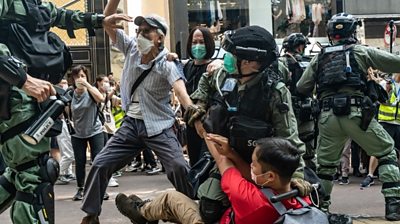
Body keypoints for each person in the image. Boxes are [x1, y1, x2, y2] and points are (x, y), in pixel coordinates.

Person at [80, 1, 195, 223]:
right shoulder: (131, 48)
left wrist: (191, 110)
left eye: (147, 31)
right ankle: (91, 215)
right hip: (131, 125)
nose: (140, 34)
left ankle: (191, 211)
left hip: (159, 126)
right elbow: (107, 22)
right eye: (139, 30)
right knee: (100, 163)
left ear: (159, 37)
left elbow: (180, 89)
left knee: (179, 167)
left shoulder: (166, 63)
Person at [185, 25, 307, 223]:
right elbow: (206, 81)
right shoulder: (224, 75)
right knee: (209, 207)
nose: (228, 58)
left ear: (252, 63)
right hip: (228, 154)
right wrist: (199, 103)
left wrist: (297, 177)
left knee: (272, 209)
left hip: (262, 164)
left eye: (233, 55)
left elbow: (289, 138)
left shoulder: (275, 92)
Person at [0, 1, 104, 223]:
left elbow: (61, 15)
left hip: (32, 99)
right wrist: (24, 79)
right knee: (34, 176)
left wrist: (100, 20)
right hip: (14, 98)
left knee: (23, 172)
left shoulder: (34, 4)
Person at [296, 12, 400, 220]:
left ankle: (321, 210)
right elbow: (395, 63)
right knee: (386, 152)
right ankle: (393, 206)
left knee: (325, 167)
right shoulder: (361, 51)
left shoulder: (320, 57)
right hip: (357, 115)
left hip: (327, 117)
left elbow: (302, 86)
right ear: (353, 31)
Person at [115, 137, 312, 224]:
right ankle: (149, 212)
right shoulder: (302, 198)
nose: (249, 167)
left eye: (253, 164)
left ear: (270, 176)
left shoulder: (248, 198)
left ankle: (139, 212)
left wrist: (204, 128)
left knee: (171, 198)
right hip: (232, 216)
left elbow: (221, 159)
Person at [279, 33, 317, 171]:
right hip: (307, 110)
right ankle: (313, 182)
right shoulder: (310, 62)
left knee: (286, 146)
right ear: (300, 47)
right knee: (309, 150)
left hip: (286, 109)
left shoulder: (280, 62)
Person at [69, 65, 107, 201]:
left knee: (98, 160)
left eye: (82, 76)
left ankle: (100, 188)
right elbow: (66, 111)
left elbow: (101, 99)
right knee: (80, 162)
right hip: (77, 133)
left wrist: (87, 85)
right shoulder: (70, 93)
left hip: (95, 130)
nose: (80, 79)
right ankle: (81, 188)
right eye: (77, 76)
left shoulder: (92, 91)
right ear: (72, 79)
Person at [183, 27, 215, 166]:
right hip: (190, 123)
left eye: (201, 42)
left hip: (209, 123)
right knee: (194, 161)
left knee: (207, 161)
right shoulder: (186, 67)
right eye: (194, 42)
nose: (197, 46)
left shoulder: (214, 68)